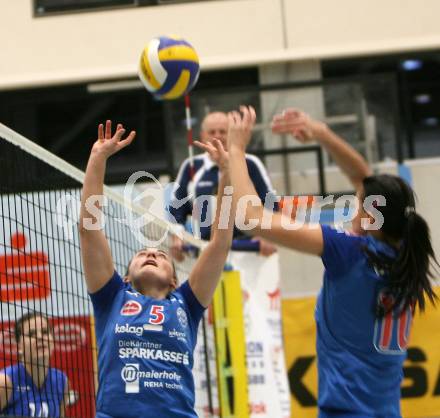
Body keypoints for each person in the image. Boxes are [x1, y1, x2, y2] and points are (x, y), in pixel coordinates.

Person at [227, 106, 438, 417]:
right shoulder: (406, 256)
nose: (352, 206)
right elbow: (365, 178)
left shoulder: (349, 252)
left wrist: (236, 149)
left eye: (356, 204)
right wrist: (320, 133)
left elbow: (251, 217)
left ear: (371, 218)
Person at [79, 120, 234, 418]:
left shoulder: (186, 303)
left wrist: (226, 174)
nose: (151, 252)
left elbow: (219, 243)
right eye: (141, 254)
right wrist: (97, 158)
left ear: (175, 282)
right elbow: (89, 229)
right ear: (125, 278)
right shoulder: (112, 297)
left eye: (160, 256)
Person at [169, 111, 277, 260]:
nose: (218, 136)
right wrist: (177, 236)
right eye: (212, 132)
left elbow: (270, 202)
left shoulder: (250, 163)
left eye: (223, 131)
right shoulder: (191, 166)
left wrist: (267, 235)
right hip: (205, 251)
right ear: (202, 136)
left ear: (232, 134)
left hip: (248, 250)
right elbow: (176, 209)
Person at [0, 312, 69, 417]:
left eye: (45, 332)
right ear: (19, 346)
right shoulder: (5, 382)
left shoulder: (61, 381)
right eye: (31, 334)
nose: (40, 337)